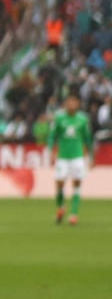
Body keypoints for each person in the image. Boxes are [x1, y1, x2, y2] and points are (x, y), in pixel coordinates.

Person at [48, 92, 93, 226]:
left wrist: (91, 155)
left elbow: (87, 138)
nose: (71, 105)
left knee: (77, 183)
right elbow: (52, 136)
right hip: (63, 156)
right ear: (66, 104)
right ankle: (61, 207)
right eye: (69, 102)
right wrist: (51, 150)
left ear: (78, 104)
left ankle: (73, 214)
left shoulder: (83, 119)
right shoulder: (59, 118)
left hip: (77, 156)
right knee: (60, 183)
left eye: (74, 102)